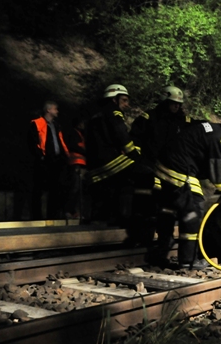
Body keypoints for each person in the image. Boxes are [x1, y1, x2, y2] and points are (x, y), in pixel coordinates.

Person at [151, 117, 221, 270]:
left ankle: (161, 251)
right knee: (193, 212)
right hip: (179, 172)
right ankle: (189, 261)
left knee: (168, 210)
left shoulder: (216, 130)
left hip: (164, 166)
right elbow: (220, 179)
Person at [84, 84, 156, 245]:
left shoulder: (95, 115)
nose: (126, 104)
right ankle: (141, 216)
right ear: (114, 99)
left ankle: (111, 216)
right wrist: (135, 155)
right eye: (124, 100)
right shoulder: (114, 112)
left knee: (119, 184)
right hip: (111, 162)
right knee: (146, 174)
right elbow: (121, 134)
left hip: (95, 166)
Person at [130, 85, 191, 169]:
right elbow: (135, 138)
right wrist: (139, 159)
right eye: (174, 103)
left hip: (170, 165)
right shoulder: (149, 118)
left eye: (179, 104)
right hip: (148, 163)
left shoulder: (180, 120)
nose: (177, 106)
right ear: (165, 102)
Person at [27, 101, 69, 219]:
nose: (57, 111)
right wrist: (40, 155)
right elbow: (32, 142)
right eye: (55, 109)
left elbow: (60, 142)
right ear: (48, 110)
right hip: (43, 160)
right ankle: (37, 217)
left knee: (55, 188)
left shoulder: (56, 125)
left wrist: (63, 157)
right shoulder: (36, 123)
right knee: (38, 189)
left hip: (56, 161)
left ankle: (52, 216)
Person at [63, 117, 87, 220]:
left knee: (78, 189)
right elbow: (74, 146)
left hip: (80, 163)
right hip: (75, 163)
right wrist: (85, 151)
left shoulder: (80, 134)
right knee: (75, 188)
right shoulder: (73, 133)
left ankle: (73, 211)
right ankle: (68, 210)